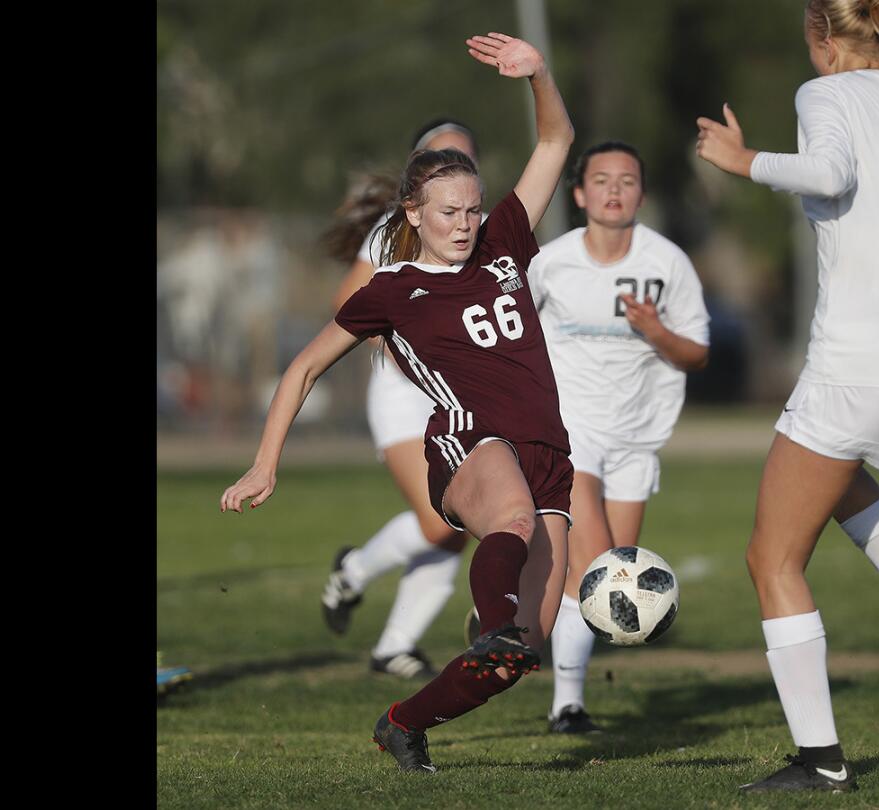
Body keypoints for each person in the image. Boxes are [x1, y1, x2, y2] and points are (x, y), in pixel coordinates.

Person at [220, 31, 575, 774]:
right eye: (449, 211)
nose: (465, 223)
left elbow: (555, 138)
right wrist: (264, 464)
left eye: (473, 209)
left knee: (520, 656)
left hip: (551, 453)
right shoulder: (391, 291)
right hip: (468, 444)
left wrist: (537, 73)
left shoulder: (506, 240)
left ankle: (403, 721)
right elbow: (304, 369)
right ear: (413, 212)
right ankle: (495, 622)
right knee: (508, 534)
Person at [695, 0, 879, 793]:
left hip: (861, 362)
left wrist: (743, 162)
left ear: (824, 38)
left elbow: (832, 174)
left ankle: (822, 761)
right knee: (826, 459)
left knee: (771, 558)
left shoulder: (827, 94)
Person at [528, 141, 710, 733]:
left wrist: (655, 330)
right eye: (601, 180)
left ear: (641, 194)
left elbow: (697, 354)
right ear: (579, 194)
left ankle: (518, 610)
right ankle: (567, 706)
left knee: (611, 587)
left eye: (626, 181)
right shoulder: (550, 262)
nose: (613, 190)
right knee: (600, 572)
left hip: (638, 438)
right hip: (571, 432)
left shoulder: (667, 264)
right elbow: (512, 336)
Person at [318, 119, 485, 680]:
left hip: (464, 395)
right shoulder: (393, 233)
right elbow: (349, 306)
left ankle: (395, 645)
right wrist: (402, 339)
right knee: (444, 521)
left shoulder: (481, 231)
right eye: (437, 157)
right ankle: (354, 572)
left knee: (454, 527)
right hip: (404, 395)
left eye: (460, 159)